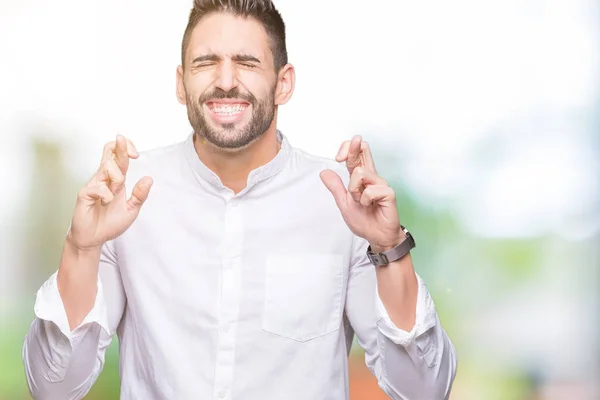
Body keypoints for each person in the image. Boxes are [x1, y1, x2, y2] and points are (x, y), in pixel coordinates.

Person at [22, 1, 457, 399]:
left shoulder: (343, 203)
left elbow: (423, 390)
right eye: (206, 62)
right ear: (181, 82)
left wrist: (390, 249)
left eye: (246, 63)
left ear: (283, 83)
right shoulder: (128, 197)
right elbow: (53, 387)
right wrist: (80, 250)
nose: (226, 81)